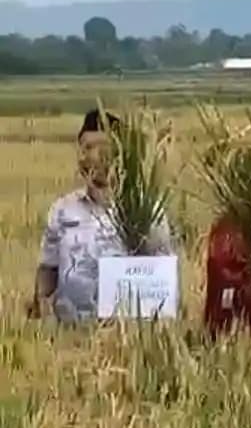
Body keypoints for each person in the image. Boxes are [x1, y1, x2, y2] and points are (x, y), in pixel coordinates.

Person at [31, 109, 174, 322]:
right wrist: (39, 305)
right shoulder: (62, 210)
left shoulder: (146, 213)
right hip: (69, 337)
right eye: (86, 148)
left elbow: (161, 280)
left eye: (102, 148)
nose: (91, 157)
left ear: (120, 153)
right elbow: (48, 270)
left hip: (122, 337)